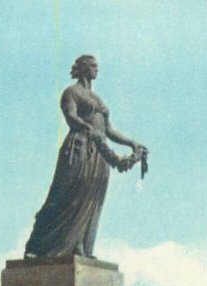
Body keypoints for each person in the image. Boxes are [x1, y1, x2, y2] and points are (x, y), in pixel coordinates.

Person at [24, 54, 148, 260]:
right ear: (81, 69)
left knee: (91, 200)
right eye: (92, 66)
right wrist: (86, 126)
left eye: (96, 66)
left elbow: (108, 129)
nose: (95, 69)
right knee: (62, 196)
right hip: (78, 149)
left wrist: (131, 143)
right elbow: (70, 116)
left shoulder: (99, 99)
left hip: (99, 155)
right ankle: (36, 246)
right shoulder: (71, 92)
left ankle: (79, 245)